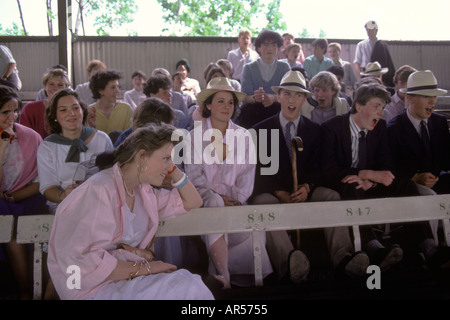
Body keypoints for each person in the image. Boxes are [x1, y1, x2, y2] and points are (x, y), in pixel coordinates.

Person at [47, 123, 214, 300]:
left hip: (124, 282)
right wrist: (148, 269)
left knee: (190, 284)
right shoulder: (99, 189)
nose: (170, 167)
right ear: (142, 155)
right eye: (166, 158)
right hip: (92, 290)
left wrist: (173, 169)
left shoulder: (143, 192)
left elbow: (193, 201)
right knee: (188, 287)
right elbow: (80, 260)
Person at [250, 71, 362, 282]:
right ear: (279, 97)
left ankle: (343, 258)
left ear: (304, 99)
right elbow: (256, 172)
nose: (292, 99)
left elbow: (320, 168)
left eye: (298, 95)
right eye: (287, 94)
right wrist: (279, 191)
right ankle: (289, 265)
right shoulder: (260, 131)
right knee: (263, 204)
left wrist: (308, 186)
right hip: (272, 193)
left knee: (331, 197)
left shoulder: (316, 131)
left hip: (305, 191)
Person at [320, 82, 439, 272]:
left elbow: (386, 165)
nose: (380, 112)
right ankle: (373, 247)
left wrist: (371, 181)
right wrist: (363, 174)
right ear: (359, 106)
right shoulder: (331, 128)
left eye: (383, 108)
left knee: (406, 185)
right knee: (353, 186)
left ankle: (427, 245)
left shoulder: (381, 127)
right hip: (345, 186)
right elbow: (327, 171)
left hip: (371, 184)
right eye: (376, 106)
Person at [183, 77, 272, 289]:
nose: (226, 106)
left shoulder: (243, 136)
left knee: (255, 226)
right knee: (214, 203)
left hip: (236, 203)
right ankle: (223, 276)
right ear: (208, 105)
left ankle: (253, 283)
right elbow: (195, 177)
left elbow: (248, 174)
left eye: (230, 102)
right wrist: (217, 197)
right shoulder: (194, 137)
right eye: (220, 101)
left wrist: (236, 199)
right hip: (205, 203)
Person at [0, 85, 47, 299]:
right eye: (5, 112)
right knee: (4, 215)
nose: (13, 117)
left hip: (25, 198)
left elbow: (42, 180)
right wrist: (1, 149)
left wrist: (13, 196)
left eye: (15, 111)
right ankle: (24, 288)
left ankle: (28, 289)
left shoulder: (30, 137)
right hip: (3, 205)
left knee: (11, 214)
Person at [37, 88, 113, 215]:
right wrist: (64, 195)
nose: (71, 113)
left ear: (82, 111)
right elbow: (48, 188)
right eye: (63, 110)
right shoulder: (47, 147)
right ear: (55, 116)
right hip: (63, 206)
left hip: (99, 203)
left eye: (75, 108)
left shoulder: (101, 139)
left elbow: (113, 176)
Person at [387, 70, 450, 195]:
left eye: (434, 96)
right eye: (426, 96)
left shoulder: (439, 122)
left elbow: (446, 159)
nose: (432, 102)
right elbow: (389, 169)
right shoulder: (394, 129)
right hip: (410, 191)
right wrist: (414, 177)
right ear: (409, 98)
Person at [237, 29, 291, 129]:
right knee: (247, 112)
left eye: (274, 45)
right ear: (258, 48)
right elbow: (245, 96)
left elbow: (289, 94)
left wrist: (274, 98)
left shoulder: (284, 67)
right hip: (254, 110)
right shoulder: (248, 68)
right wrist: (255, 98)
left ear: (278, 48)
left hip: (277, 109)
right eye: (266, 44)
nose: (270, 48)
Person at [19, 68, 71, 139]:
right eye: (51, 84)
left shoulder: (72, 110)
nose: (55, 88)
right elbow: (23, 135)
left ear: (66, 88)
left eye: (60, 85)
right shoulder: (30, 109)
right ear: (45, 87)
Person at [87, 69, 133, 137]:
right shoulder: (89, 112)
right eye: (113, 87)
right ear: (100, 91)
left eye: (118, 86)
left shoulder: (125, 109)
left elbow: (129, 137)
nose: (117, 91)